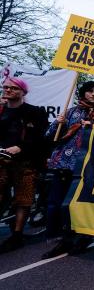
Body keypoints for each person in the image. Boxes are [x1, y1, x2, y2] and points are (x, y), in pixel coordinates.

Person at [43, 81, 94, 258]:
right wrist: (57, 123)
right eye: (89, 91)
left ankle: (84, 236)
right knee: (57, 203)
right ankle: (63, 239)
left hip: (89, 164)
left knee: (81, 204)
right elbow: (50, 135)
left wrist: (93, 129)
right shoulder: (72, 111)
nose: (93, 94)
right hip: (65, 163)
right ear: (82, 93)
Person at [0, 77, 48, 253]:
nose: (8, 90)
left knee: (24, 198)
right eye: (5, 87)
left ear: (23, 92)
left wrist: (21, 147)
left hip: (25, 162)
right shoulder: (1, 110)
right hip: (1, 160)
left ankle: (17, 235)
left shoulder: (34, 112)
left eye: (13, 88)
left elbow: (41, 136)